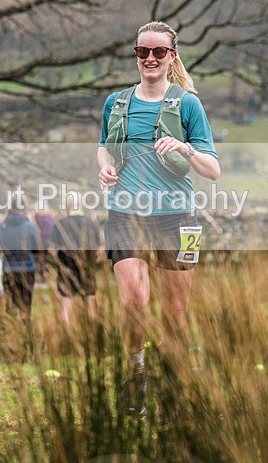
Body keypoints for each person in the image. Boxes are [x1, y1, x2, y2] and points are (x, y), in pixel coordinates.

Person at [97, 21, 220, 415]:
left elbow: (213, 170)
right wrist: (105, 168)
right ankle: (135, 378)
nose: (149, 58)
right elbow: (103, 147)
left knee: (176, 312)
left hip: (179, 219)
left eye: (158, 52)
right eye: (142, 52)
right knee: (133, 301)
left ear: (171, 56)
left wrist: (185, 149)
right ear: (136, 55)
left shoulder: (187, 104)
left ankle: (176, 384)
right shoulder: (116, 103)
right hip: (125, 214)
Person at [49, 191, 102, 324]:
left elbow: (52, 250)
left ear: (67, 206)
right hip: (87, 269)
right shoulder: (91, 223)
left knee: (66, 309)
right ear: (81, 206)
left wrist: (59, 263)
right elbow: (99, 250)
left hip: (66, 270)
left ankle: (67, 339)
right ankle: (93, 336)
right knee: (91, 308)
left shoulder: (60, 223)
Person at [0, 193, 40, 319]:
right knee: (26, 308)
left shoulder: (0, 226)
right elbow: (37, 250)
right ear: (24, 206)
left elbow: (1, 245)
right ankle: (25, 334)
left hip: (8, 270)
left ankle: (11, 333)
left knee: (10, 307)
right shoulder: (30, 226)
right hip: (27, 270)